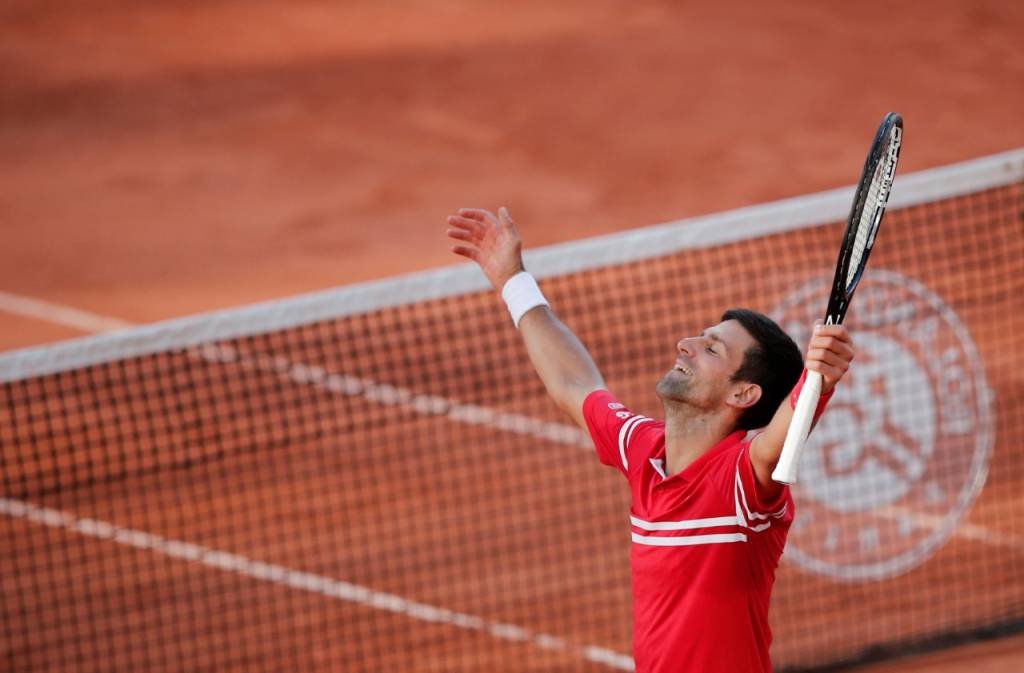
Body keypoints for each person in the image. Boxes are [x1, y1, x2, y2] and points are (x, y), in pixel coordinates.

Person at [446, 206, 855, 673]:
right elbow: (574, 386)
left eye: (711, 348)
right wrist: (514, 282)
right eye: (700, 337)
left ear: (744, 393)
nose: (686, 344)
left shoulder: (742, 482)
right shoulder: (643, 450)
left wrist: (819, 381)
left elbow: (777, 442)